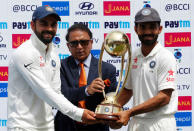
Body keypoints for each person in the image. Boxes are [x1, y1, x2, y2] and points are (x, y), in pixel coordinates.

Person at [7, 6, 98, 131]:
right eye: (44, 24)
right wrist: (78, 114)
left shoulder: (53, 54)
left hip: (48, 125)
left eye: (53, 24)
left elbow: (56, 92)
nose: (49, 29)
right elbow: (44, 91)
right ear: (32, 25)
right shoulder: (24, 53)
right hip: (23, 126)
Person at [110, 7, 178, 131]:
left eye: (152, 27)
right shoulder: (133, 55)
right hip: (137, 122)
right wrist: (112, 111)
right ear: (136, 29)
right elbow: (127, 90)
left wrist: (129, 112)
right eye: (143, 27)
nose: (147, 32)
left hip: (160, 123)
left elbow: (164, 97)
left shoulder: (166, 57)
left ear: (160, 29)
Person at [54, 23, 117, 131]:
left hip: (97, 127)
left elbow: (111, 102)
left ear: (91, 43)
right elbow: (61, 96)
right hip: (65, 126)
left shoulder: (108, 69)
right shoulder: (59, 67)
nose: (79, 47)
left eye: (84, 42)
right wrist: (87, 90)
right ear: (68, 46)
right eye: (74, 43)